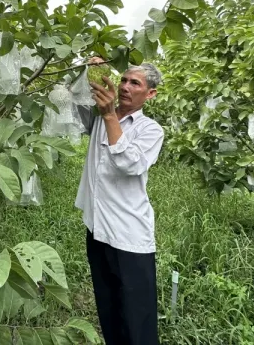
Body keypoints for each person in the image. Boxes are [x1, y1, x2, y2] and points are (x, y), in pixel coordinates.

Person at [74, 58, 164, 345]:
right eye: (123, 80)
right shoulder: (98, 118)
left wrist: (110, 115)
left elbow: (130, 163)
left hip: (128, 235)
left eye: (134, 83)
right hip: (97, 228)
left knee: (138, 318)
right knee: (109, 309)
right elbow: (68, 102)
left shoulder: (150, 130)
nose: (125, 86)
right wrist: (83, 69)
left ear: (150, 94)